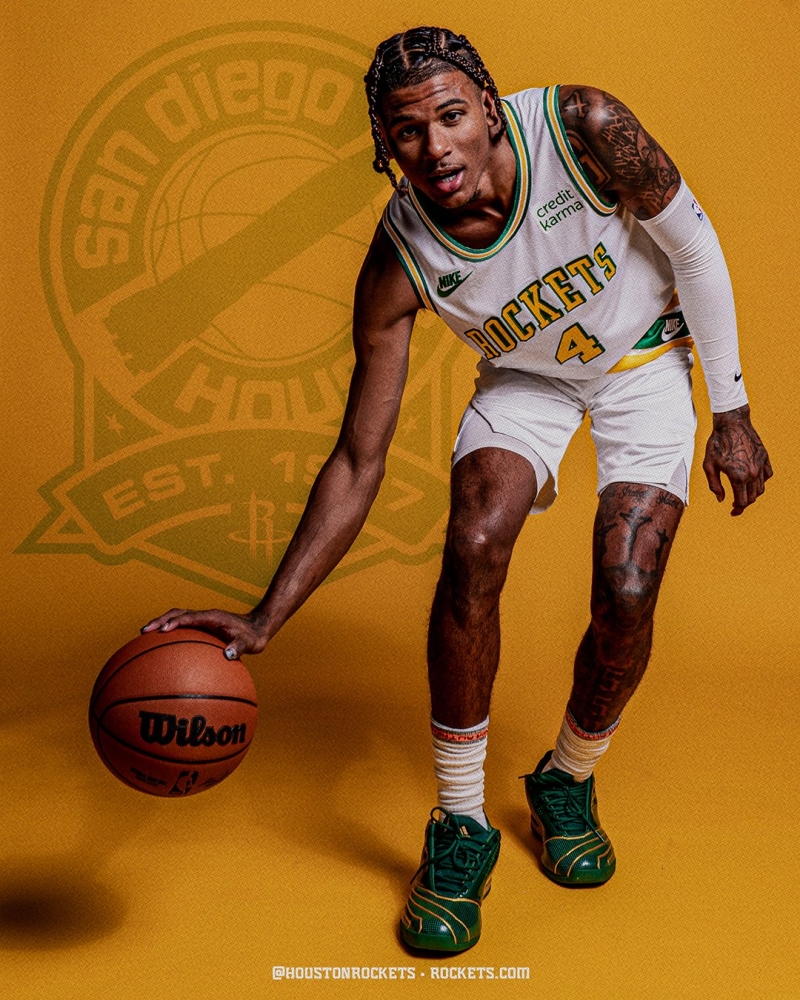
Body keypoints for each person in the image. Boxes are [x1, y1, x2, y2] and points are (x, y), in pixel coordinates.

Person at [143, 27, 772, 954]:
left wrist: (732, 411)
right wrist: (266, 616)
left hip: (642, 358)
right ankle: (461, 821)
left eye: (449, 116)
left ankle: (568, 776)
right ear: (384, 145)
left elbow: (697, 248)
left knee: (629, 588)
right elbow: (358, 460)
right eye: (407, 131)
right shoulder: (401, 259)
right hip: (526, 381)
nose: (435, 147)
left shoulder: (582, 127)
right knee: (473, 542)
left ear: (487, 104)